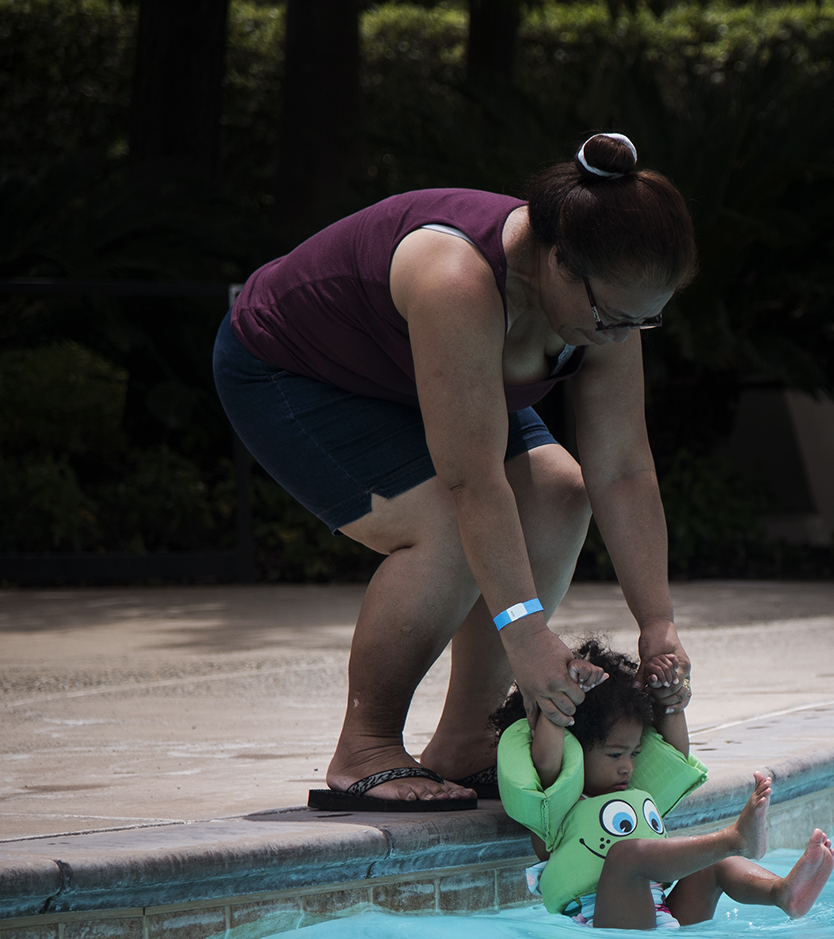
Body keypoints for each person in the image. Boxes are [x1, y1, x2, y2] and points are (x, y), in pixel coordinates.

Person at [213, 133, 696, 811]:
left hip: (424, 377)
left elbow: (620, 468)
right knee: (445, 523)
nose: (622, 335)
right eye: (613, 316)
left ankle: (466, 739)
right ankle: (367, 745)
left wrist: (658, 623)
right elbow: (472, 480)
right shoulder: (456, 279)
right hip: (294, 371)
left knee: (561, 491)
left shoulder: (607, 297)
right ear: (559, 261)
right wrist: (526, 632)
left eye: (644, 321)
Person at [492, 640, 834, 930]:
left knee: (712, 862)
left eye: (633, 753)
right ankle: (735, 839)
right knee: (627, 855)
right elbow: (549, 751)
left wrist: (667, 696)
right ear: (574, 749)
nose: (627, 767)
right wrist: (562, 696)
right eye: (615, 755)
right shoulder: (556, 801)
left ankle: (781, 893)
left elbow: (673, 751)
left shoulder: (627, 792)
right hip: (606, 930)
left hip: (664, 918)